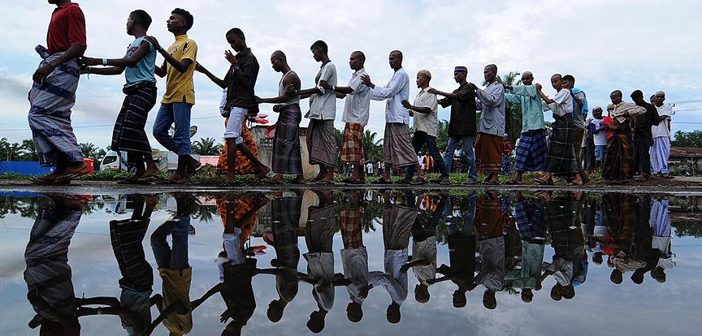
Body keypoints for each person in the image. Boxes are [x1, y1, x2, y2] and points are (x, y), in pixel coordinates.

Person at [80, 10, 159, 184]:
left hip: (144, 89)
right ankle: (140, 170)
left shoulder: (146, 42)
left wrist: (98, 60)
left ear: (135, 21)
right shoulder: (131, 46)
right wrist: (90, 69)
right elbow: (118, 69)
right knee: (126, 129)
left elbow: (131, 62)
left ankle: (151, 166)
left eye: (128, 19)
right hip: (132, 90)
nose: (126, 23)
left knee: (134, 126)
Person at [195, 28, 269, 181]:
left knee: (230, 136)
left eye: (234, 41)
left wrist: (235, 64)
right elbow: (224, 83)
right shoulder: (238, 60)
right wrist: (204, 71)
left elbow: (248, 82)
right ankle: (260, 167)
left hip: (242, 102)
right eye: (230, 43)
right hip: (234, 102)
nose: (233, 45)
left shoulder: (250, 59)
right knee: (235, 139)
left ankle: (231, 175)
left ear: (242, 38)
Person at [29, 0, 88, 185]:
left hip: (62, 66)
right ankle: (62, 168)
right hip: (56, 63)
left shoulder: (72, 10)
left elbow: (79, 46)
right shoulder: (58, 11)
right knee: (57, 116)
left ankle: (76, 160)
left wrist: (52, 65)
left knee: (37, 114)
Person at [146, 8, 200, 183]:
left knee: (181, 133)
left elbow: (183, 66)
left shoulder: (189, 43)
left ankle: (181, 173)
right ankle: (190, 161)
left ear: (182, 23)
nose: (168, 21)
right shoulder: (171, 47)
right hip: (169, 95)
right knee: (158, 131)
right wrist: (145, 59)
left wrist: (159, 49)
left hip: (183, 93)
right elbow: (162, 72)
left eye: (172, 19)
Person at [361, 50, 417, 184]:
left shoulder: (402, 75)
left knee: (404, 145)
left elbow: (388, 92)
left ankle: (421, 174)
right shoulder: (395, 76)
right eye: (389, 59)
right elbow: (382, 92)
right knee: (388, 146)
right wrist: (365, 92)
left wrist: (371, 85)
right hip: (391, 117)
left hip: (398, 117)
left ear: (400, 60)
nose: (390, 61)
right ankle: (386, 175)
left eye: (393, 59)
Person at [256, 51, 305, 184]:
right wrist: (279, 106)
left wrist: (263, 100)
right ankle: (299, 176)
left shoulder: (291, 77)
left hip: (291, 113)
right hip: (287, 111)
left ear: (281, 59)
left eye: (274, 61)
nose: (272, 65)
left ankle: (280, 175)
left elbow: (286, 98)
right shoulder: (285, 77)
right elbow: (286, 100)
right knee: (291, 143)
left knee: (286, 143)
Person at [324, 51, 372, 184]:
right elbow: (345, 93)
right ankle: (360, 176)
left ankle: (355, 175)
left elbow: (349, 90)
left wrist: (330, 86)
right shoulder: (354, 76)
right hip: (352, 116)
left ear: (361, 60)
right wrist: (331, 91)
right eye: (349, 59)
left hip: (357, 116)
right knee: (358, 146)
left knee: (355, 146)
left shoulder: (362, 76)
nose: (350, 61)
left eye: (353, 59)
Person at [299, 40, 338, 184]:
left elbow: (320, 89)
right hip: (316, 110)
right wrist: (300, 95)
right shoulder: (322, 68)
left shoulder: (329, 66)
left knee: (328, 141)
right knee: (312, 138)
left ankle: (330, 174)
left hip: (325, 110)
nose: (313, 55)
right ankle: (322, 170)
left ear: (321, 50)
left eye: (314, 51)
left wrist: (298, 92)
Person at [402, 70, 450, 184]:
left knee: (434, 152)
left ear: (426, 78)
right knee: (413, 152)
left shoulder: (430, 93)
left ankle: (445, 176)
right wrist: (411, 111)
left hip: (428, 129)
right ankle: (408, 177)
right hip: (419, 128)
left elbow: (427, 110)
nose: (417, 80)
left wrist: (412, 106)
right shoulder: (419, 95)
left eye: (419, 77)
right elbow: (417, 111)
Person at [430, 66, 477, 181]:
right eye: (454, 74)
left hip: (466, 126)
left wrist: (438, 91)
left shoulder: (469, 87)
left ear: (464, 74)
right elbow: (445, 101)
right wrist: (429, 100)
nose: (455, 76)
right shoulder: (456, 91)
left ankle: (472, 177)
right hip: (456, 127)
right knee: (448, 152)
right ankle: (445, 175)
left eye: (457, 74)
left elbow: (458, 97)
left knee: (469, 153)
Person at [536, 74, 581, 185]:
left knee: (558, 149)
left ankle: (548, 175)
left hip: (565, 122)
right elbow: (547, 106)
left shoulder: (565, 92)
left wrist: (540, 92)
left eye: (556, 81)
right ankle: (576, 177)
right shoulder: (558, 95)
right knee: (564, 150)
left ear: (562, 81)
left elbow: (550, 102)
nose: (554, 84)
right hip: (559, 122)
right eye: (552, 82)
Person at [504, 71, 547, 184]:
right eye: (523, 79)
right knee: (521, 152)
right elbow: (513, 98)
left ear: (532, 78)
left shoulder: (535, 89)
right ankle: (518, 178)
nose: (525, 81)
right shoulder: (523, 95)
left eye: (527, 78)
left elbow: (526, 91)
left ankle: (547, 177)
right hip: (527, 128)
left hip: (537, 126)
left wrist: (508, 86)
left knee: (541, 154)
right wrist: (500, 93)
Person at [472, 64, 505, 184]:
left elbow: (492, 101)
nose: (485, 74)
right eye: (484, 72)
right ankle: (490, 174)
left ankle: (495, 176)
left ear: (494, 73)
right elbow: (481, 105)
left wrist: (477, 91)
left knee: (494, 150)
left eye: (488, 72)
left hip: (495, 124)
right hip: (484, 124)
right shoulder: (487, 88)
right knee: (482, 148)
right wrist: (470, 99)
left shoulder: (499, 86)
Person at [602, 90, 646, 183]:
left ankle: (625, 177)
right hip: (616, 134)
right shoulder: (614, 109)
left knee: (625, 156)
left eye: (614, 97)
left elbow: (642, 109)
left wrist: (628, 113)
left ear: (620, 97)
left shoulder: (627, 106)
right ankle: (614, 177)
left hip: (625, 134)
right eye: (611, 98)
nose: (613, 100)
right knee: (613, 155)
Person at [562, 74, 590, 183]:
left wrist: (571, 94)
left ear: (572, 83)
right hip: (568, 125)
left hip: (577, 125)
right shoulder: (563, 94)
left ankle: (581, 177)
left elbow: (580, 102)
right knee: (570, 152)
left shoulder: (578, 92)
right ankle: (577, 176)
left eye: (565, 82)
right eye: (563, 83)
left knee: (575, 151)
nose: (563, 85)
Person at [631, 90, 660, 181]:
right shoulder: (634, 108)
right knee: (636, 153)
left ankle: (644, 173)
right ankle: (638, 172)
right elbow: (631, 121)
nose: (635, 101)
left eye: (636, 99)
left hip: (645, 134)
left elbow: (657, 121)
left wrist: (647, 123)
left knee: (644, 153)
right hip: (636, 134)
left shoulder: (650, 107)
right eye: (634, 100)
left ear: (641, 97)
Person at [651, 91, 675, 178]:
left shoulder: (667, 107)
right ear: (654, 98)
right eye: (657, 97)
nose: (659, 98)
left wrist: (669, 135)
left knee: (664, 152)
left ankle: (664, 171)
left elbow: (662, 118)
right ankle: (656, 171)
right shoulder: (651, 108)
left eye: (661, 97)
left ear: (664, 98)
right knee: (653, 153)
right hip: (652, 133)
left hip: (663, 133)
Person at [590, 107, 607, 171]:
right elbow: (593, 131)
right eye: (594, 112)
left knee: (605, 157)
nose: (596, 113)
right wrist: (601, 128)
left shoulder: (605, 119)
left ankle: (603, 170)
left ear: (601, 111)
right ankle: (597, 171)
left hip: (607, 141)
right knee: (599, 157)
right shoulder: (593, 122)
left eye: (598, 111)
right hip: (598, 142)